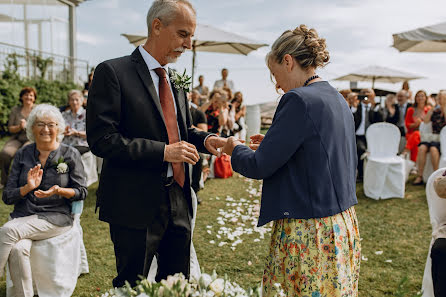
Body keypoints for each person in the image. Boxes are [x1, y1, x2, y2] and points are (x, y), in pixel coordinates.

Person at [86, 0, 226, 287]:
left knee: (177, 285)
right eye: (183, 34)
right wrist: (163, 152)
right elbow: (103, 140)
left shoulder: (174, 79)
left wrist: (208, 139)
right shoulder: (112, 72)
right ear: (157, 26)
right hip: (134, 202)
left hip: (179, 197)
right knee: (133, 286)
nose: (188, 44)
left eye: (191, 36)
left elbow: (179, 130)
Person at [222, 25, 360, 297]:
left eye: (275, 74)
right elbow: (323, 151)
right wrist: (274, 144)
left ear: (288, 61)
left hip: (308, 230)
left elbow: (258, 166)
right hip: (341, 224)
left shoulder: (297, 99)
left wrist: (233, 148)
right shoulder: (337, 98)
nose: (276, 84)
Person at [0, 104, 87, 297]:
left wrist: (60, 191)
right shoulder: (23, 154)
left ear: (59, 128)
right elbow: (7, 196)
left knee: (7, 231)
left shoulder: (70, 154)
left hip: (56, 218)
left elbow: (82, 192)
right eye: (40, 124)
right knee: (17, 249)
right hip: (24, 215)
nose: (46, 129)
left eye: (51, 124)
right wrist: (27, 187)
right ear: (32, 127)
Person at [0, 87, 36, 189]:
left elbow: (40, 127)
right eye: (26, 95)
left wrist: (27, 126)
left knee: (24, 153)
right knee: (5, 153)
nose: (28, 97)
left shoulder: (37, 110)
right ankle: (4, 181)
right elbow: (10, 129)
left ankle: (21, 182)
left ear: (34, 98)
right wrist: (19, 127)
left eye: (31, 95)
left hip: (31, 139)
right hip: (17, 138)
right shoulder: (15, 110)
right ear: (21, 97)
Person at [413, 90, 446, 185]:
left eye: (441, 98)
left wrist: (444, 106)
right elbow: (426, 121)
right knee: (422, 148)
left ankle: (437, 176)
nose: (439, 99)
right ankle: (420, 176)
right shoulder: (435, 110)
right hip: (433, 138)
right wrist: (432, 108)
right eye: (438, 98)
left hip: (443, 140)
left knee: (433, 149)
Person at [352, 88, 384, 180]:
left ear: (373, 95)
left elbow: (381, 120)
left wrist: (374, 106)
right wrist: (354, 107)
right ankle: (361, 174)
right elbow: (352, 121)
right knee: (360, 149)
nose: (366, 94)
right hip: (359, 136)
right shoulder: (356, 108)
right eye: (363, 93)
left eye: (368, 92)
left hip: (373, 137)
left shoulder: (376, 107)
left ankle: (374, 173)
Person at [189, 90, 207, 203]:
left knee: (198, 157)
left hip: (193, 144)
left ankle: (194, 191)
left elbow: (203, 131)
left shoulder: (198, 113)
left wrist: (190, 127)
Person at [402, 90, 430, 163]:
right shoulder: (410, 110)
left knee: (417, 135)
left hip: (425, 134)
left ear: (425, 98)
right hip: (411, 133)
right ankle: (414, 164)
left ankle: (405, 151)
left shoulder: (429, 110)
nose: (420, 98)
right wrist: (416, 124)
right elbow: (407, 125)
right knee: (416, 137)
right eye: (418, 96)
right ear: (415, 98)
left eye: (422, 96)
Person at [62, 90, 89, 155]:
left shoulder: (88, 114)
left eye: (77, 100)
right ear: (69, 102)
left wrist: (76, 133)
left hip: (83, 149)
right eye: (72, 100)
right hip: (66, 149)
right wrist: (64, 131)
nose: (74, 102)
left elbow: (91, 134)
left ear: (82, 101)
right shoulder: (63, 115)